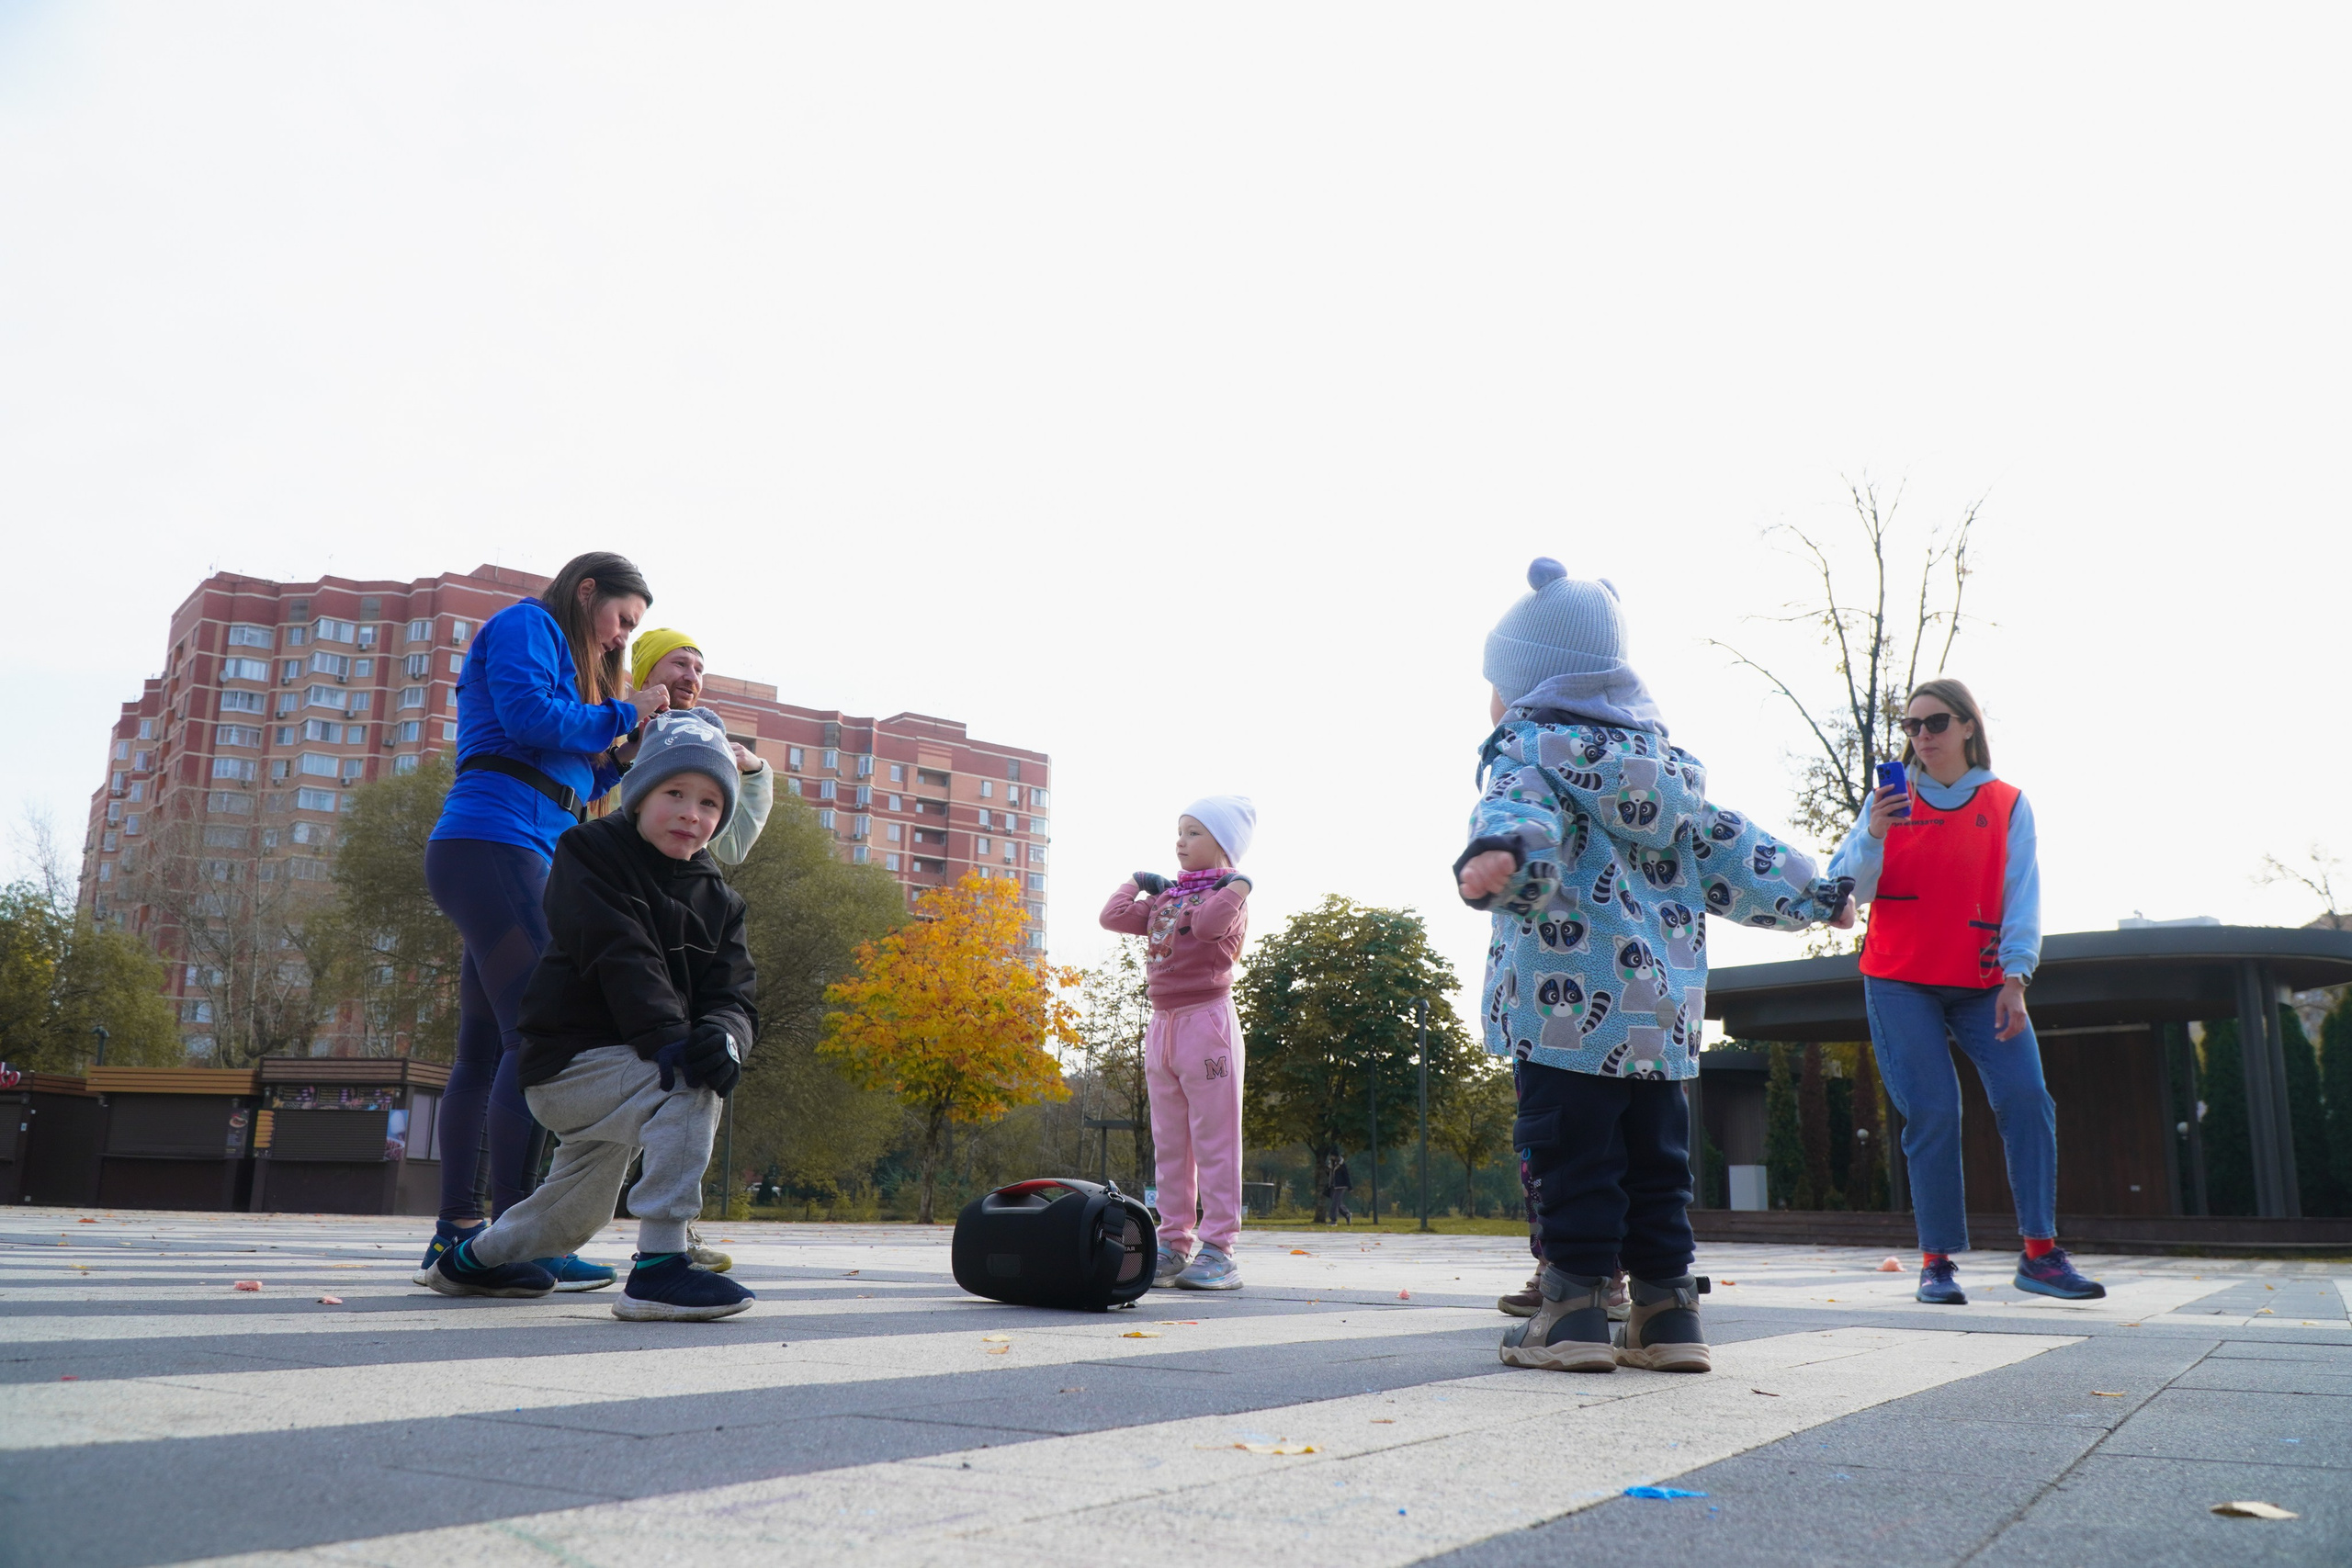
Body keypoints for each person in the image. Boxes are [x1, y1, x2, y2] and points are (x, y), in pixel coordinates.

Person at [1457, 558, 1855, 1373]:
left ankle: (1569, 1313)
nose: (1492, 699)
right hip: (1658, 1024)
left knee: (1573, 1159)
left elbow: (1519, 817)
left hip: (1562, 1015)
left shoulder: (1527, 752)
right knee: (1656, 1168)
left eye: (1499, 680)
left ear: (1535, 682)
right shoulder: (1668, 777)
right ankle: (1669, 1313)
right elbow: (1738, 850)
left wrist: (1504, 857)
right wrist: (1817, 894)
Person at [424, 707, 760, 1322]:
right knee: (690, 1086)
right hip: (567, 1063)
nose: (692, 812)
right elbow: (618, 950)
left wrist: (726, 1038)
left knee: (571, 1215)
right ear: (638, 796)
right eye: (675, 792)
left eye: (711, 803)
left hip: (633, 1068)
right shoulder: (588, 852)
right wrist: (673, 1041)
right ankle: (661, 1267)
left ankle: (468, 1262)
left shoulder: (723, 902)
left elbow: (734, 991)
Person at [412, 552, 671, 1293]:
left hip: (516, 847)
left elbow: (581, 773)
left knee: (485, 1045)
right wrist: (630, 707)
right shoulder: (527, 623)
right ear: (586, 590)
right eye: (622, 619)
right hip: (496, 840)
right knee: (539, 1037)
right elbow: (530, 718)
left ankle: (460, 1232)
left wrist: (627, 749)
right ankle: (514, 1238)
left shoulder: (575, 660)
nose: (623, 638)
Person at [1829, 679, 2103, 1304]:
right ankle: (1937, 1261)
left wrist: (2016, 977)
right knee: (1933, 1110)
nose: (1923, 735)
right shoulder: (1890, 800)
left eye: (1937, 722)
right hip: (1900, 979)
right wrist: (1872, 831)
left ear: (1968, 727)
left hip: (1984, 984)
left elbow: (2022, 896)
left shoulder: (2007, 803)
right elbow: (1844, 888)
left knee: (2029, 1098)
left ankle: (2040, 1253)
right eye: (1912, 725)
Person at [1099, 796, 1256, 1291]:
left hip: (1207, 1023)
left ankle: (1219, 1249)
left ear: (1223, 845)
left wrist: (1240, 882)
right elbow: (1113, 916)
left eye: (1193, 833)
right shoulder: (1168, 899)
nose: (1180, 841)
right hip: (1163, 1023)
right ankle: (1172, 1242)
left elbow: (1209, 929)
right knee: (1170, 1142)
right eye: (1180, 831)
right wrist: (1139, 882)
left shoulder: (1228, 898)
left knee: (1214, 1138)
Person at [626, 628, 775, 868]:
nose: (692, 677)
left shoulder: (708, 751)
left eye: (698, 670)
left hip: (673, 891)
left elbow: (733, 847)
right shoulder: (611, 730)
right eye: (681, 664)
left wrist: (757, 773)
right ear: (647, 675)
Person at [1327, 1154, 1352, 1225]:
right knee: (1338, 1203)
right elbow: (1330, 1175)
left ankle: (1333, 1220)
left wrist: (1349, 1187)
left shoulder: (1342, 1164)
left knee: (1334, 1203)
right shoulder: (1331, 1164)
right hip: (1333, 1186)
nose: (1331, 1157)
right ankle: (1347, 1214)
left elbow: (1346, 1175)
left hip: (1340, 1186)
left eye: (1332, 1155)